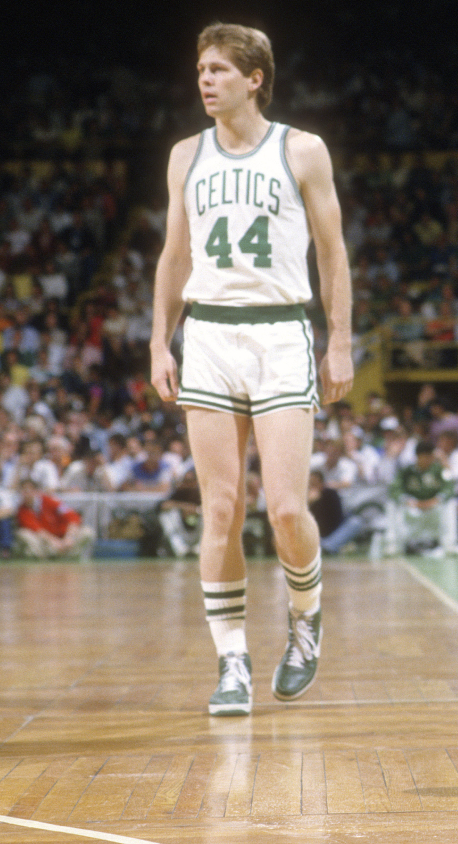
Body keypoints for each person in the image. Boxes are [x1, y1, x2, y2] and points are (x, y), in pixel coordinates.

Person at [149, 23, 354, 717]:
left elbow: (333, 254)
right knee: (221, 508)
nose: (204, 79)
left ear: (254, 77)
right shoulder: (185, 155)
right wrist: (159, 342)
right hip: (208, 334)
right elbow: (174, 257)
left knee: (287, 509)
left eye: (218, 69)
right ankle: (231, 659)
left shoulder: (301, 149)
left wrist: (340, 342)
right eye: (200, 69)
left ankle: (306, 617)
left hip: (279, 334)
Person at [15, 478, 94, 559]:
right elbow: (38, 530)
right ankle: (49, 558)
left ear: (36, 491)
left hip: (65, 537)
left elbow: (72, 516)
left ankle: (69, 556)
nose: (27, 494)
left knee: (87, 532)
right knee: (23, 534)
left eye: (29, 490)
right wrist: (55, 542)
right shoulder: (22, 511)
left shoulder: (50, 501)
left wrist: (69, 538)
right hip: (46, 543)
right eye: (23, 491)